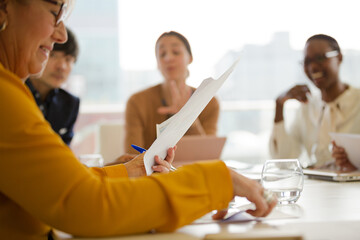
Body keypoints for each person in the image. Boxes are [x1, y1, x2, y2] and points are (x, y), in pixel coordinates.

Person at [0, 1, 275, 239]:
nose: (61, 34)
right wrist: (216, 180)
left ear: (190, 58)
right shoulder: (6, 96)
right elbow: (84, 204)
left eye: (176, 52)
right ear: (3, 8)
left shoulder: (13, 90)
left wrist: (130, 170)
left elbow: (61, 186)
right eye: (54, 12)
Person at [269, 34, 360, 168]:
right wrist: (279, 105)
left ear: (339, 58)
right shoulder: (307, 106)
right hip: (319, 187)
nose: (313, 67)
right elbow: (283, 160)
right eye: (307, 62)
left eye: (320, 58)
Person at [124, 31, 220, 154]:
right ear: (157, 64)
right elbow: (131, 156)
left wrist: (188, 117)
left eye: (176, 52)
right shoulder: (137, 101)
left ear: (190, 58)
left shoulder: (210, 102)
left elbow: (209, 155)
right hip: (154, 173)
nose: (168, 58)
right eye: (162, 54)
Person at [25, 27, 79, 145]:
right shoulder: (14, 92)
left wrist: (107, 164)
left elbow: (65, 158)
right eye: (53, 55)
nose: (62, 66)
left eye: (68, 59)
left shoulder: (70, 103)